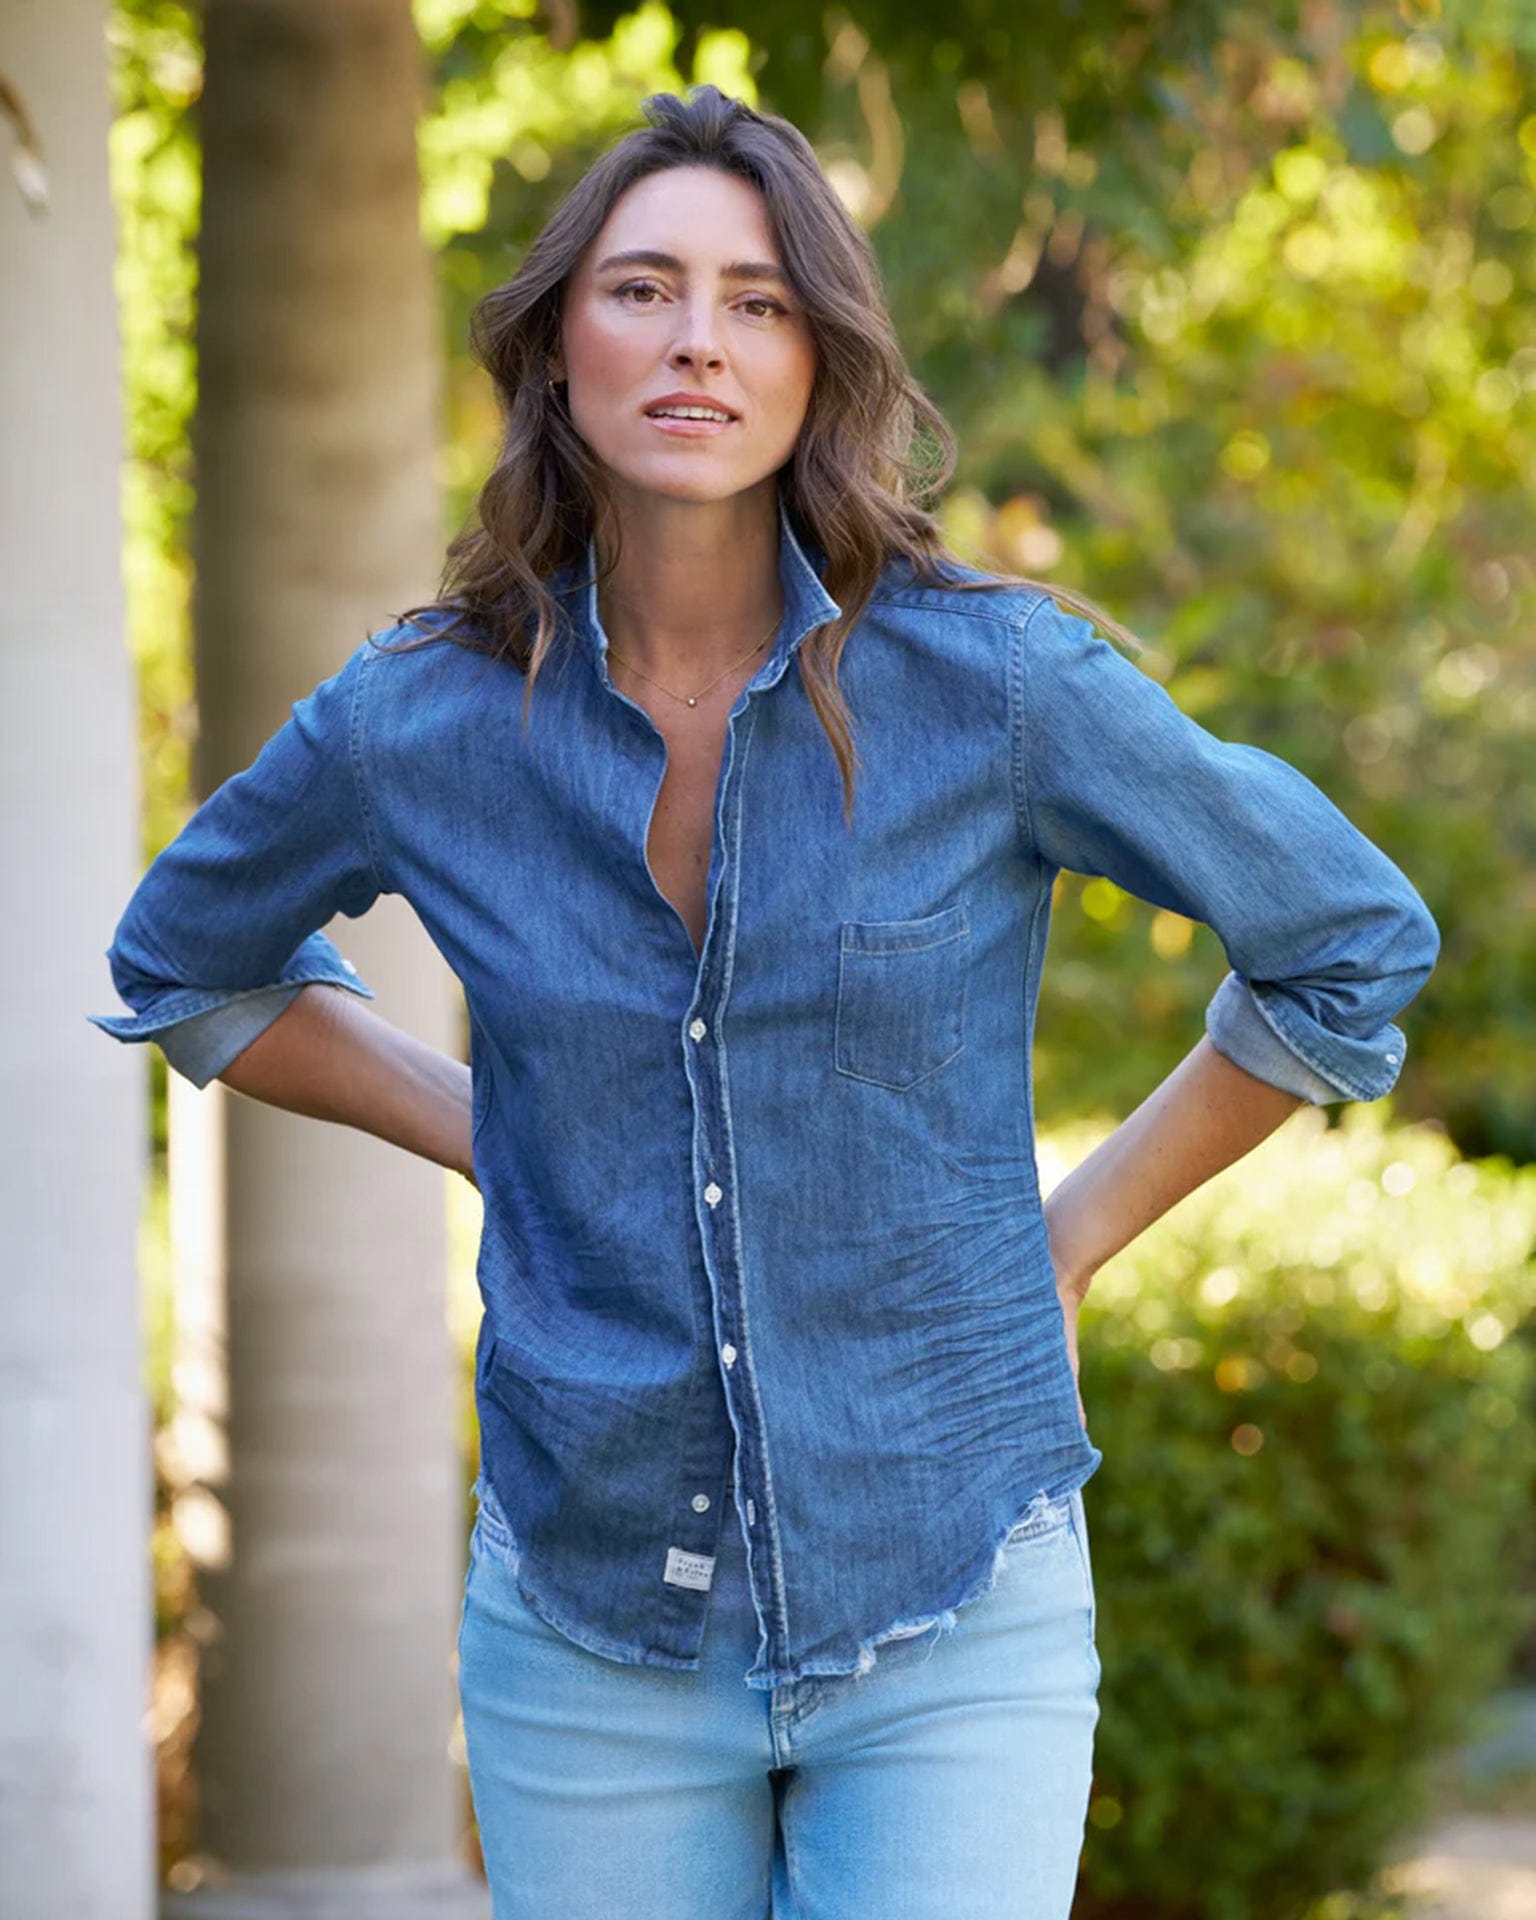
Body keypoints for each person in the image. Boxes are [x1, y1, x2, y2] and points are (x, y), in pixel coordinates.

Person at [89, 84, 1440, 1920]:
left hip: (952, 1592)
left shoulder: (998, 688)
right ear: (558, 343)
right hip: (589, 1625)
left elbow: (1347, 941)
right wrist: (498, 1135)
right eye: (643, 287)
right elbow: (185, 962)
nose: (699, 340)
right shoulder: (417, 718)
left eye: (759, 298)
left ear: (825, 357)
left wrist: (1078, 1234)